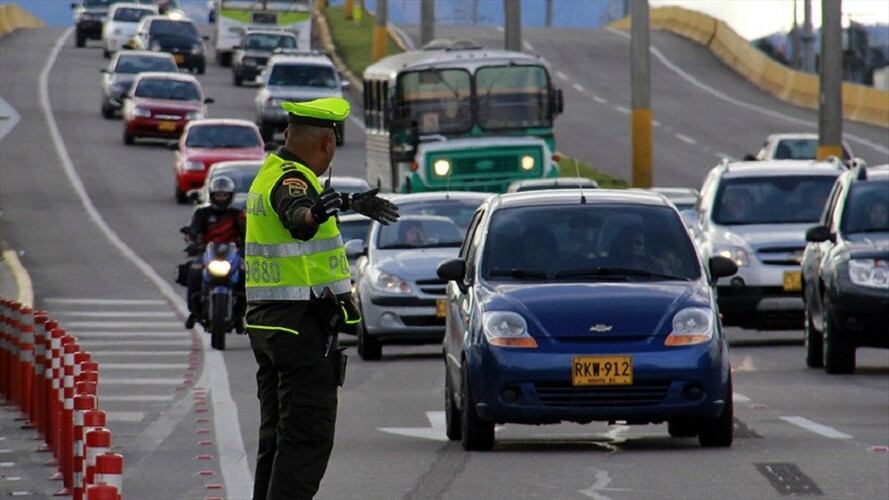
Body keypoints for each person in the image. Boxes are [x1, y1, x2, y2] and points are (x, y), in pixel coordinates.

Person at [244, 97, 399, 500]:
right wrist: (313, 215)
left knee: (277, 440)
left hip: (269, 326)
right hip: (299, 330)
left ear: (286, 134)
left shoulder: (271, 172)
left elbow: (299, 208)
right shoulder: (293, 181)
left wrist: (347, 202)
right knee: (306, 440)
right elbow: (298, 215)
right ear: (327, 144)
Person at [183, 176, 245, 329]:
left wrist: (247, 248)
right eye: (218, 194)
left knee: (245, 276)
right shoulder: (202, 213)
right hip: (207, 253)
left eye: (224, 195)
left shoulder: (238, 214)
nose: (221, 198)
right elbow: (193, 230)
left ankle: (240, 314)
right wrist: (192, 242)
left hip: (232, 254)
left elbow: (247, 233)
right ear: (212, 195)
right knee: (194, 273)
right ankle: (194, 311)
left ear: (230, 196)